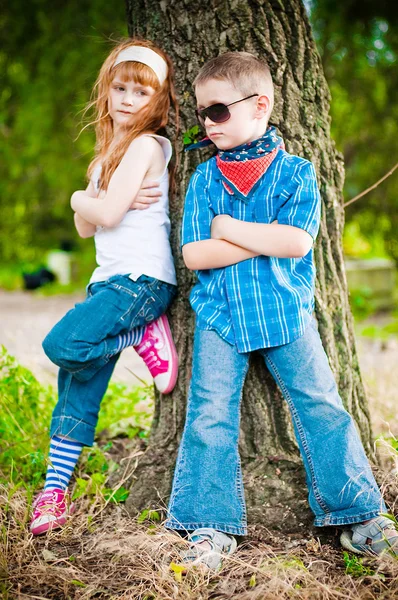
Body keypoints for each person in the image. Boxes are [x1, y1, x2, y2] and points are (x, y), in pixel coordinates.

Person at [165, 51, 398, 569]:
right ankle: (211, 524)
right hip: (221, 314)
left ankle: (358, 516)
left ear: (259, 105)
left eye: (219, 111)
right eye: (202, 113)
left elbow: (296, 242)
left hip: (285, 313)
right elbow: (194, 254)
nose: (208, 123)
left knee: (321, 405)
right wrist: (257, 239)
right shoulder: (205, 179)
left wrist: (230, 230)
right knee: (209, 414)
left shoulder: (295, 172)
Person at [30, 38, 179, 535]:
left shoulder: (144, 145)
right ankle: (54, 492)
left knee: (62, 344)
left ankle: (139, 335)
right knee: (76, 385)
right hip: (110, 284)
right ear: (106, 90)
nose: (128, 99)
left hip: (140, 282)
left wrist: (80, 196)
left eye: (142, 91)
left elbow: (104, 213)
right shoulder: (108, 155)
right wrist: (91, 199)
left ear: (158, 101)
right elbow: (86, 229)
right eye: (120, 87)